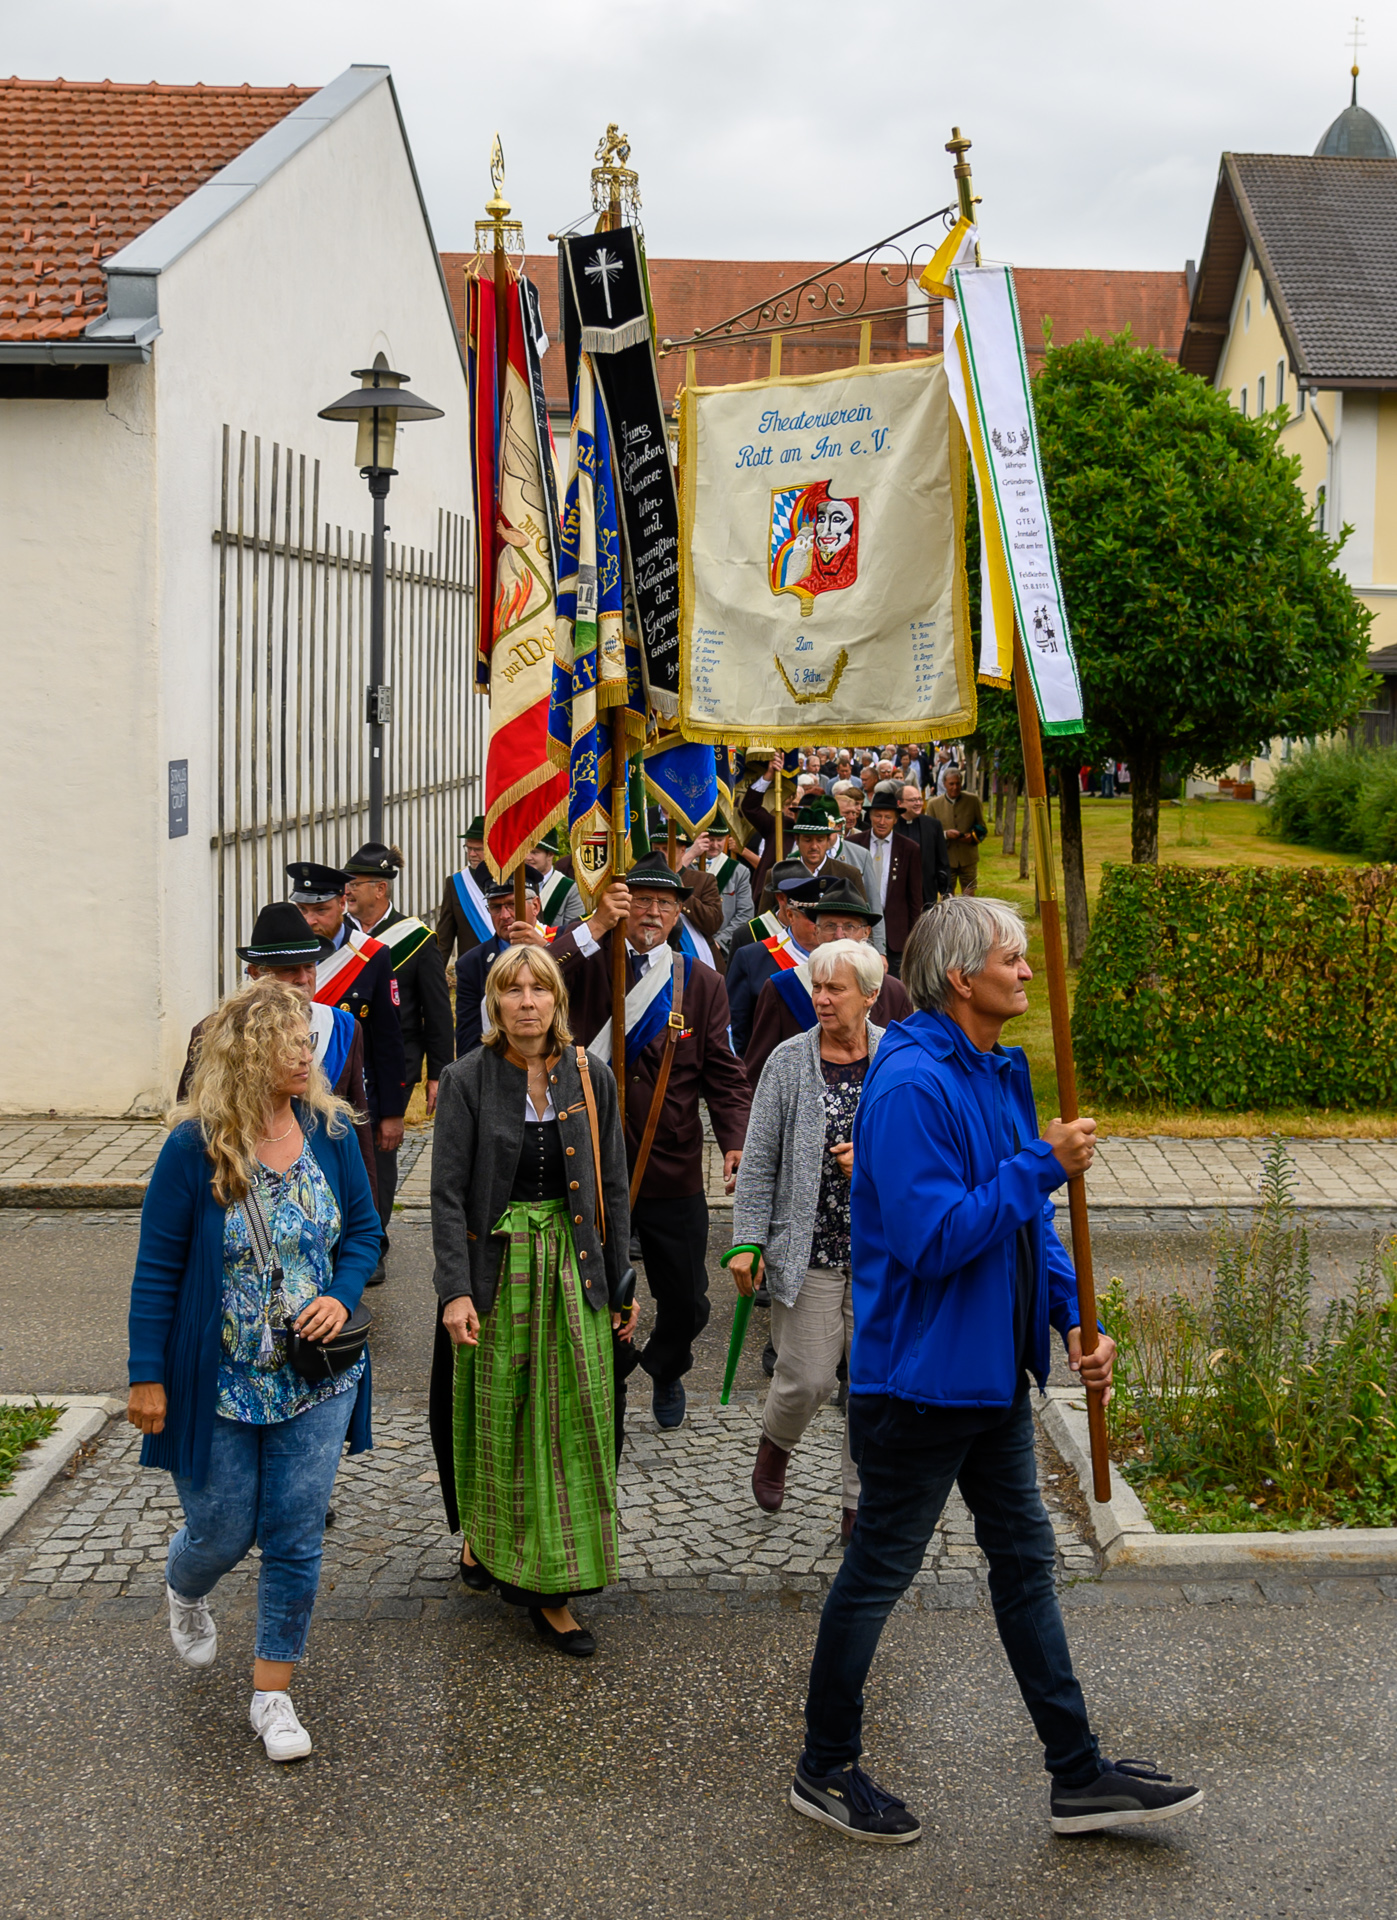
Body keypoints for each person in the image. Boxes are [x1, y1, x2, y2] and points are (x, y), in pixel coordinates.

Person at [790, 899, 1202, 1844]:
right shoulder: (908, 1087)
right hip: (917, 1387)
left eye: (1021, 957)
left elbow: (1026, 1225)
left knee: (1025, 1568)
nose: (1025, 972)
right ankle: (823, 1766)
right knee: (875, 1576)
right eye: (1009, 960)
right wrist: (1040, 1164)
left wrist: (1073, 1320)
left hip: (988, 1381)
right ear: (958, 979)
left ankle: (1077, 1775)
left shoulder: (994, 1070)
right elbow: (935, 1241)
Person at [126, 978, 379, 1762]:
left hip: (315, 1378)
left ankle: (273, 1696)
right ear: (248, 1053)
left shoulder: (331, 1131)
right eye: (290, 1042)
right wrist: (146, 1375)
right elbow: (157, 1270)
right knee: (224, 1527)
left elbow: (364, 1233)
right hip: (220, 1378)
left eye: (308, 1041)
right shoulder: (190, 1147)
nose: (307, 1053)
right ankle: (185, 1584)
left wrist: (340, 1296)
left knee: (295, 1531)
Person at [430, 943, 633, 1657]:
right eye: (511, 990)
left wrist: (620, 1283)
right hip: (499, 1274)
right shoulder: (465, 1079)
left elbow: (610, 1184)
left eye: (537, 989)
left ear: (556, 1000)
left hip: (573, 1273)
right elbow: (447, 1194)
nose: (525, 1002)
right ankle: (489, 1543)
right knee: (501, 1421)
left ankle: (554, 1586)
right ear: (494, 1003)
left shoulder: (589, 1074)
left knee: (570, 1422)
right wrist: (455, 1290)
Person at [552, 851, 752, 1430]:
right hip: (588, 1156)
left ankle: (666, 1366)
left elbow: (724, 1072)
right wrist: (591, 929)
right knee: (593, 1287)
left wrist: (735, 1139)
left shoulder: (702, 983)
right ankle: (607, 1377)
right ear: (620, 904)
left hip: (669, 1162)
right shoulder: (589, 964)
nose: (652, 912)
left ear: (677, 914)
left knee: (687, 1298)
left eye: (665, 903)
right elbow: (533, 969)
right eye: (641, 899)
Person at [731, 940, 885, 1538]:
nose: (821, 999)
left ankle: (856, 1506)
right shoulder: (789, 1061)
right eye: (816, 988)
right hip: (810, 1250)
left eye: (835, 989)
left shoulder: (896, 1057)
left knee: (870, 1387)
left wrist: (871, 1163)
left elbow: (921, 1151)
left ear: (869, 996)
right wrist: (748, 1239)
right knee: (811, 1378)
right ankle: (776, 1441)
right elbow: (760, 1158)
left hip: (881, 1254)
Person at [178, 902, 377, 1208]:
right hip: (238, 1188)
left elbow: (358, 1125)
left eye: (309, 966)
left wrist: (369, 1215)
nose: (302, 979)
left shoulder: (343, 1029)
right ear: (256, 973)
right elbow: (191, 1126)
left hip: (325, 1192)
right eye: (288, 970)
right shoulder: (212, 1034)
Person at [290, 859, 408, 1279]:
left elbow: (388, 1039)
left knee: (368, 1168)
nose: (310, 920)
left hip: (357, 1093)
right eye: (302, 910)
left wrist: (392, 1111)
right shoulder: (290, 956)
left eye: (319, 909)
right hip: (297, 1095)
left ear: (343, 904)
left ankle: (370, 1243)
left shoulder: (371, 956)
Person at [342, 842, 454, 1278]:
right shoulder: (339, 937)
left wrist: (438, 1074)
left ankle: (375, 1242)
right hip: (342, 1060)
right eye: (348, 883)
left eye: (355, 884)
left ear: (380, 889)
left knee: (379, 1153)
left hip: (394, 1062)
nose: (347, 891)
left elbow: (435, 1010)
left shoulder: (416, 938)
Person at [744, 878, 911, 1085]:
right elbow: (758, 1074)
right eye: (830, 926)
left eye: (850, 926)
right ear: (817, 932)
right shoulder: (782, 988)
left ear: (866, 933)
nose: (840, 935)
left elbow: (907, 1065)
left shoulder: (894, 991)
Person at [727, 866, 825, 1058]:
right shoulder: (752, 958)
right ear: (790, 915)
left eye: (827, 916)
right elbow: (734, 1028)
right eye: (813, 916)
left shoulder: (843, 960)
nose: (821, 923)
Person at [454, 873, 553, 1055]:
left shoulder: (561, 947)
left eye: (512, 904)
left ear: (536, 906)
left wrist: (545, 948)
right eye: (495, 907)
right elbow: (469, 1040)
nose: (504, 915)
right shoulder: (472, 964)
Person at [850, 783, 923, 977]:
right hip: (859, 928)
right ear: (870, 816)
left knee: (894, 986)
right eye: (878, 816)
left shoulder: (909, 849)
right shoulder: (853, 844)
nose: (882, 821)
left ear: (896, 819)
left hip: (896, 934)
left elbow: (915, 897)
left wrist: (913, 937)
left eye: (888, 817)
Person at [435, 815, 493, 962]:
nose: (472, 854)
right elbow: (444, 938)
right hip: (471, 971)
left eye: (478, 849)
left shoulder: (514, 880)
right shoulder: (456, 883)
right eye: (469, 848)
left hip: (510, 971)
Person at [930, 766, 988, 896]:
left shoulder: (973, 801)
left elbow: (982, 827)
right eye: (951, 784)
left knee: (969, 896)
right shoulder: (934, 804)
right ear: (944, 784)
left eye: (957, 783)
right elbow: (930, 833)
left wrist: (973, 837)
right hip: (945, 858)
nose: (955, 787)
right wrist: (946, 835)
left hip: (968, 857)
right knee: (947, 896)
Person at [896, 782, 952, 903]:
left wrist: (946, 890)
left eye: (919, 799)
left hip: (926, 891)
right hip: (898, 892)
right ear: (899, 803)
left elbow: (942, 860)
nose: (918, 803)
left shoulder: (933, 825)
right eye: (912, 800)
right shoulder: (892, 825)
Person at [526, 829, 584, 928]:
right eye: (524, 852)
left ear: (550, 854)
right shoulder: (513, 884)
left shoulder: (570, 889)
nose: (527, 857)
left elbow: (573, 932)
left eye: (534, 852)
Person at [711, 831, 757, 955]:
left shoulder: (739, 871)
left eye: (719, 840)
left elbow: (745, 913)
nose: (715, 845)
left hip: (722, 950)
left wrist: (720, 941)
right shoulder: (686, 863)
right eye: (710, 839)